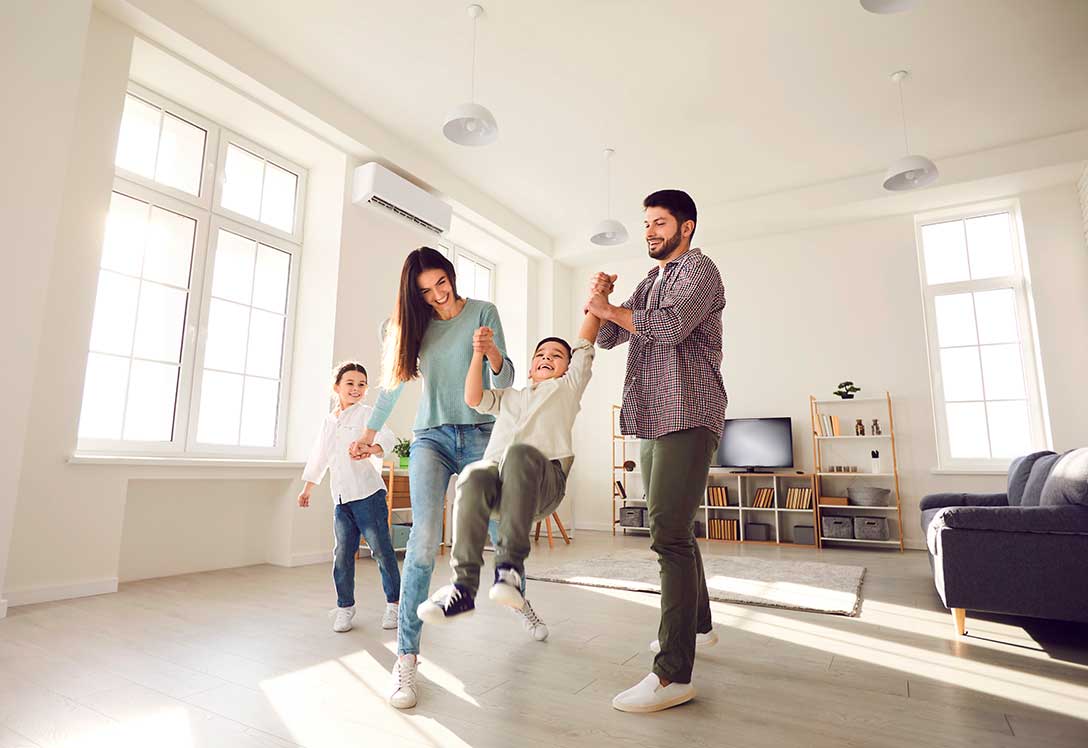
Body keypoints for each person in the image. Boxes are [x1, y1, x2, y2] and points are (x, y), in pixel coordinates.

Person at [348, 247, 544, 710]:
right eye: (425, 291)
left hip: (480, 433)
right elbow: (390, 388)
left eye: (441, 283)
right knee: (422, 541)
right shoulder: (410, 328)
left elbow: (505, 379)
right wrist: (368, 435)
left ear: (451, 276)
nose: (437, 296)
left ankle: (521, 599)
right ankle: (408, 659)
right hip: (431, 438)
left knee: (498, 530)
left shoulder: (482, 312)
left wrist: (492, 350)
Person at [587, 189, 727, 713]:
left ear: (685, 227)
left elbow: (667, 329)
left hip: (689, 412)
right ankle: (700, 627)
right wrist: (600, 302)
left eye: (660, 222)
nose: (650, 231)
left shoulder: (700, 271)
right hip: (652, 415)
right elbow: (606, 340)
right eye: (646, 223)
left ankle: (673, 676)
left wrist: (610, 310)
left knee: (667, 533)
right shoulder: (652, 279)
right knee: (673, 528)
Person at [416, 307, 602, 625]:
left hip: (545, 483)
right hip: (501, 485)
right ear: (530, 368)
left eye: (557, 355)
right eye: (540, 354)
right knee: (474, 473)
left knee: (518, 453)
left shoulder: (567, 389)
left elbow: (584, 345)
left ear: (568, 368)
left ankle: (509, 570)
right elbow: (474, 398)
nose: (547, 357)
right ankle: (462, 589)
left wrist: (597, 305)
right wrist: (480, 354)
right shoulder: (509, 397)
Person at [298, 362, 400, 634]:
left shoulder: (369, 414)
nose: (356, 389)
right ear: (336, 387)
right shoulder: (329, 421)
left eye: (361, 384)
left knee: (381, 550)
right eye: (350, 383)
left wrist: (373, 448)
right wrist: (308, 487)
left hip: (368, 494)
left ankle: (394, 604)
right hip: (341, 499)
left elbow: (389, 438)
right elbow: (319, 455)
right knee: (342, 554)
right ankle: (345, 607)